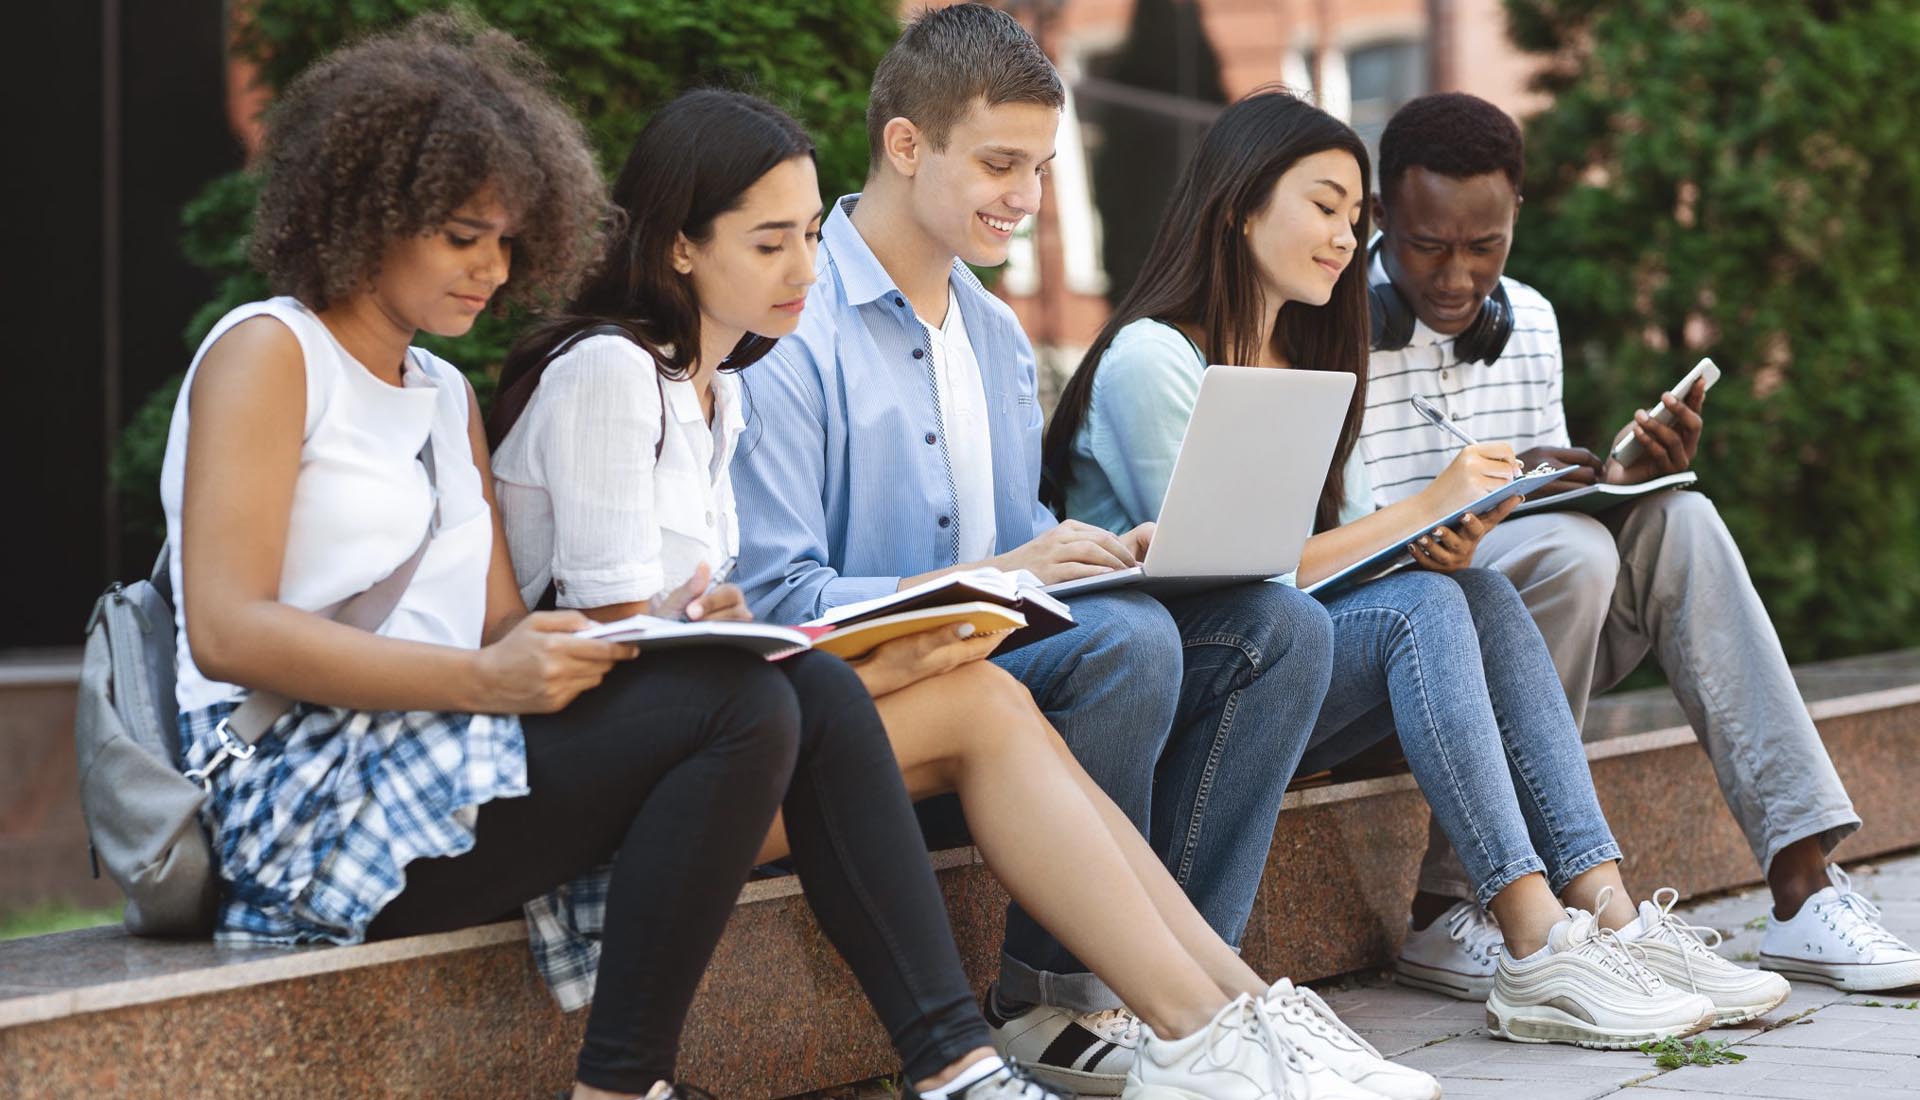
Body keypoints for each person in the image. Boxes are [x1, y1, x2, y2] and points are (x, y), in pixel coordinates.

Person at [492, 86, 1437, 1100]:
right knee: (1078, 665)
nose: (805, 267)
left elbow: (699, 627)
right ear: (681, 246)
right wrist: (910, 619)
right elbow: (619, 660)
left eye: (810, 235)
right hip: (647, 769)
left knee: (1072, 674)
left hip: (751, 723)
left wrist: (1081, 559)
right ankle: (1155, 1028)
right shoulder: (614, 374)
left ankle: (1222, 1010)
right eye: (771, 243)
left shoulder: (714, 389)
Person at [157, 19, 990, 1100]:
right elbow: (225, 630)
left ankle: (959, 1065)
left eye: (508, 241)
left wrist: (683, 629)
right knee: (745, 707)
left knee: (805, 688)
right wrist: (480, 679)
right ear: (362, 212)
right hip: (302, 797)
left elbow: (511, 630)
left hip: (444, 755)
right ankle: (619, 1086)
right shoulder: (268, 352)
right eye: (463, 236)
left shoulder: (440, 393)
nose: (492, 271)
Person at [1041, 87, 1777, 1049]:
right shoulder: (1154, 358)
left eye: (1355, 216)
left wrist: (1442, 532)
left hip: (1285, 668)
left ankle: (1605, 911)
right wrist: (1422, 508)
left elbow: (1334, 564)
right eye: (1325, 207)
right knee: (1425, 609)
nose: (1348, 238)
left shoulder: (1304, 346)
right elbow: (1230, 576)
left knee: (1470, 590)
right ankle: (1532, 938)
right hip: (1184, 681)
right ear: (1240, 203)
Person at [728, 5, 1341, 1092]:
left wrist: (1107, 551)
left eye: (1044, 168)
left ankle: (1203, 1005)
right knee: (1130, 647)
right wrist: (1011, 576)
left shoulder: (1000, 337)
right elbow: (784, 600)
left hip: (998, 662)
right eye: (1001, 163)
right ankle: (1050, 997)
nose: (1026, 196)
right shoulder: (792, 323)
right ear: (906, 145)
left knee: (1278, 626)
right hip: (875, 692)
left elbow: (1020, 563)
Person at [1357, 91, 1920, 998]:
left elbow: (1538, 516)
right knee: (1572, 560)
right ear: (1381, 218)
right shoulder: (1321, 322)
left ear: (1516, 220)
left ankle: (1802, 887)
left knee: (1679, 520)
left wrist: (1613, 484)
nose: (1458, 278)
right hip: (1401, 649)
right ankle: (1445, 906)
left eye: (1485, 246)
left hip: (1529, 632)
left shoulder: (1529, 323)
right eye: (1427, 246)